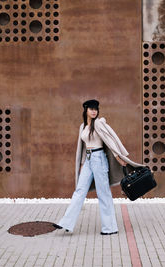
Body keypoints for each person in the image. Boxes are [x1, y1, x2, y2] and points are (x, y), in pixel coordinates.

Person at [52, 99, 134, 235]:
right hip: (89, 161)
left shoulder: (99, 124)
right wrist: (82, 164)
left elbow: (110, 140)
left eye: (96, 109)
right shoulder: (82, 127)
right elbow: (84, 147)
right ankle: (66, 222)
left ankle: (110, 228)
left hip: (99, 159)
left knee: (103, 194)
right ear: (86, 110)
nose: (94, 111)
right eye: (91, 109)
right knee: (79, 190)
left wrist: (119, 157)